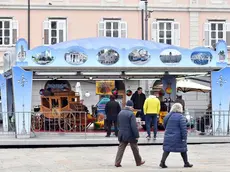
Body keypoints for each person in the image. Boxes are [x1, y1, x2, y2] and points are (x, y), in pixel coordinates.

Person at [159, 103, 193, 168]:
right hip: (178, 136)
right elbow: (183, 128)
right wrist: (184, 137)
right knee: (183, 150)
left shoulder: (168, 116)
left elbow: (164, 124)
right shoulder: (181, 117)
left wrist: (168, 130)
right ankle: (186, 163)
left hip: (168, 135)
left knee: (167, 149)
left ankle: (162, 162)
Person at [115, 100, 145, 167]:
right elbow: (133, 126)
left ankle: (117, 162)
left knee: (121, 148)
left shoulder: (120, 113)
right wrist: (137, 135)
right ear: (131, 107)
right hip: (130, 134)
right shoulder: (131, 114)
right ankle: (138, 162)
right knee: (135, 148)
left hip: (122, 133)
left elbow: (118, 124)